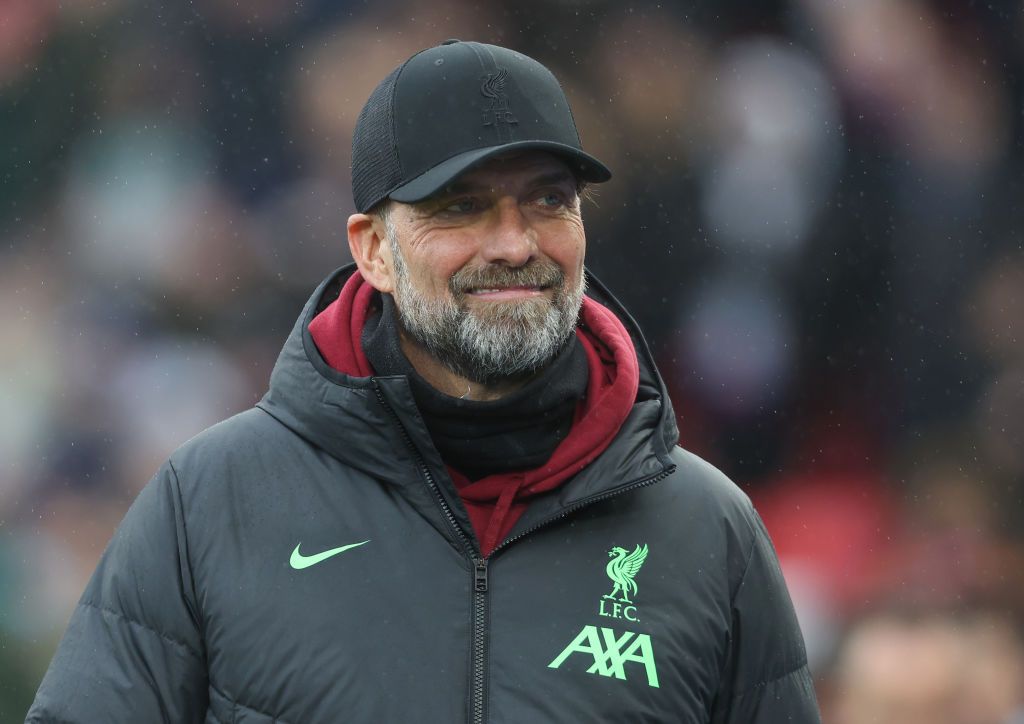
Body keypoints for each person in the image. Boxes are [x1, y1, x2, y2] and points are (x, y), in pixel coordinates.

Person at [27, 40, 821, 723]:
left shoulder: (707, 531)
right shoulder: (211, 505)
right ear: (373, 251)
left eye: (549, 200)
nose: (515, 244)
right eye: (462, 207)